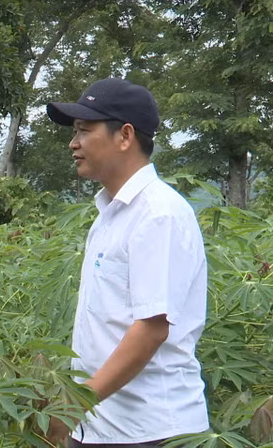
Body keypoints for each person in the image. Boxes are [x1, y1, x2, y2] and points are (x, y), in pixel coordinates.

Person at [42, 78, 209, 446]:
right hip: (99, 427)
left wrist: (73, 405)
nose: (73, 144)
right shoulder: (109, 214)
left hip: (151, 431)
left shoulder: (159, 214)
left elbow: (151, 329)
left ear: (124, 136)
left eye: (85, 131)